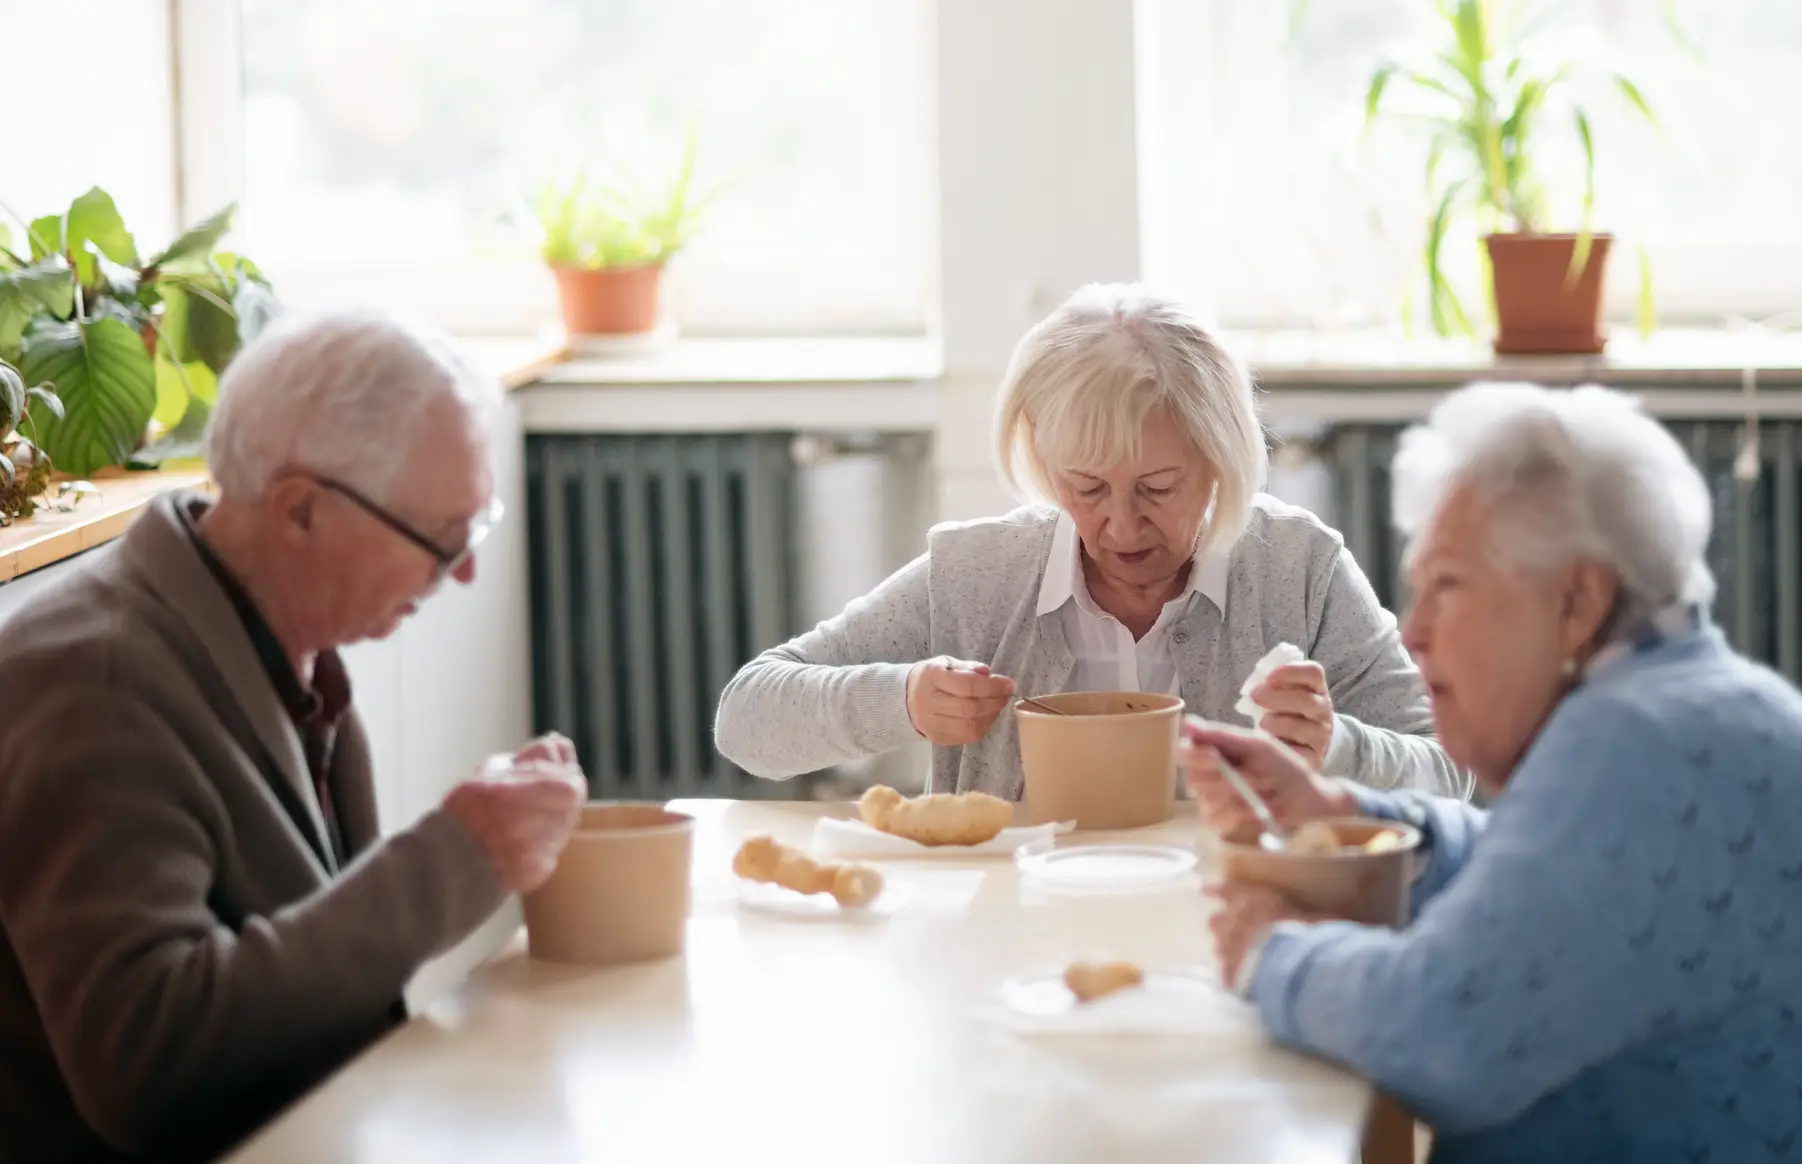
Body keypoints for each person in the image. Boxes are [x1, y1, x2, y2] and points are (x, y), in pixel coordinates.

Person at [0, 311, 587, 1161]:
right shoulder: (96, 685)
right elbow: (148, 1067)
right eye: (440, 538)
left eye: (474, 529)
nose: (462, 572)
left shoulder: (279, 641)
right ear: (299, 511)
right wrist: (455, 860)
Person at [1188, 381, 1802, 1161]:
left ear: (1576, 601)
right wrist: (1347, 816)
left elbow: (1443, 1034)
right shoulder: (1690, 708)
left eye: (1447, 586)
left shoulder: (1632, 740)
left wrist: (1271, 950)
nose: (1414, 633)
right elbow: (1555, 880)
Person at [716, 283, 1462, 799]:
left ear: (1220, 458)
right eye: (1087, 488)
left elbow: (1449, 772)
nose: (1122, 526)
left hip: (1231, 919)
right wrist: (902, 700)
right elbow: (745, 719)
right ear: (1042, 460)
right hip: (1017, 935)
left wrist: (1336, 749)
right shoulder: (977, 575)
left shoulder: (1299, 568)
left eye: (1159, 488)